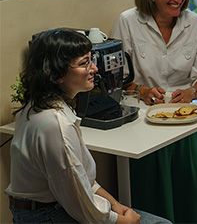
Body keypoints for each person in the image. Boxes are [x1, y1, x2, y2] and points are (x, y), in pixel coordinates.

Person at [6, 29, 170, 224]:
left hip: (53, 207)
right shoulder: (55, 125)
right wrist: (121, 221)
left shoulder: (41, 106)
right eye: (84, 63)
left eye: (91, 60)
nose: (95, 68)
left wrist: (116, 205)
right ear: (57, 74)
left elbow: (82, 180)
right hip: (46, 216)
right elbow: (79, 200)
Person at [111, 0, 197, 223]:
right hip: (141, 129)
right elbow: (117, 79)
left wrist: (192, 92)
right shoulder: (128, 22)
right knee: (151, 201)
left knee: (191, 202)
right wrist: (142, 91)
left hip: (186, 126)